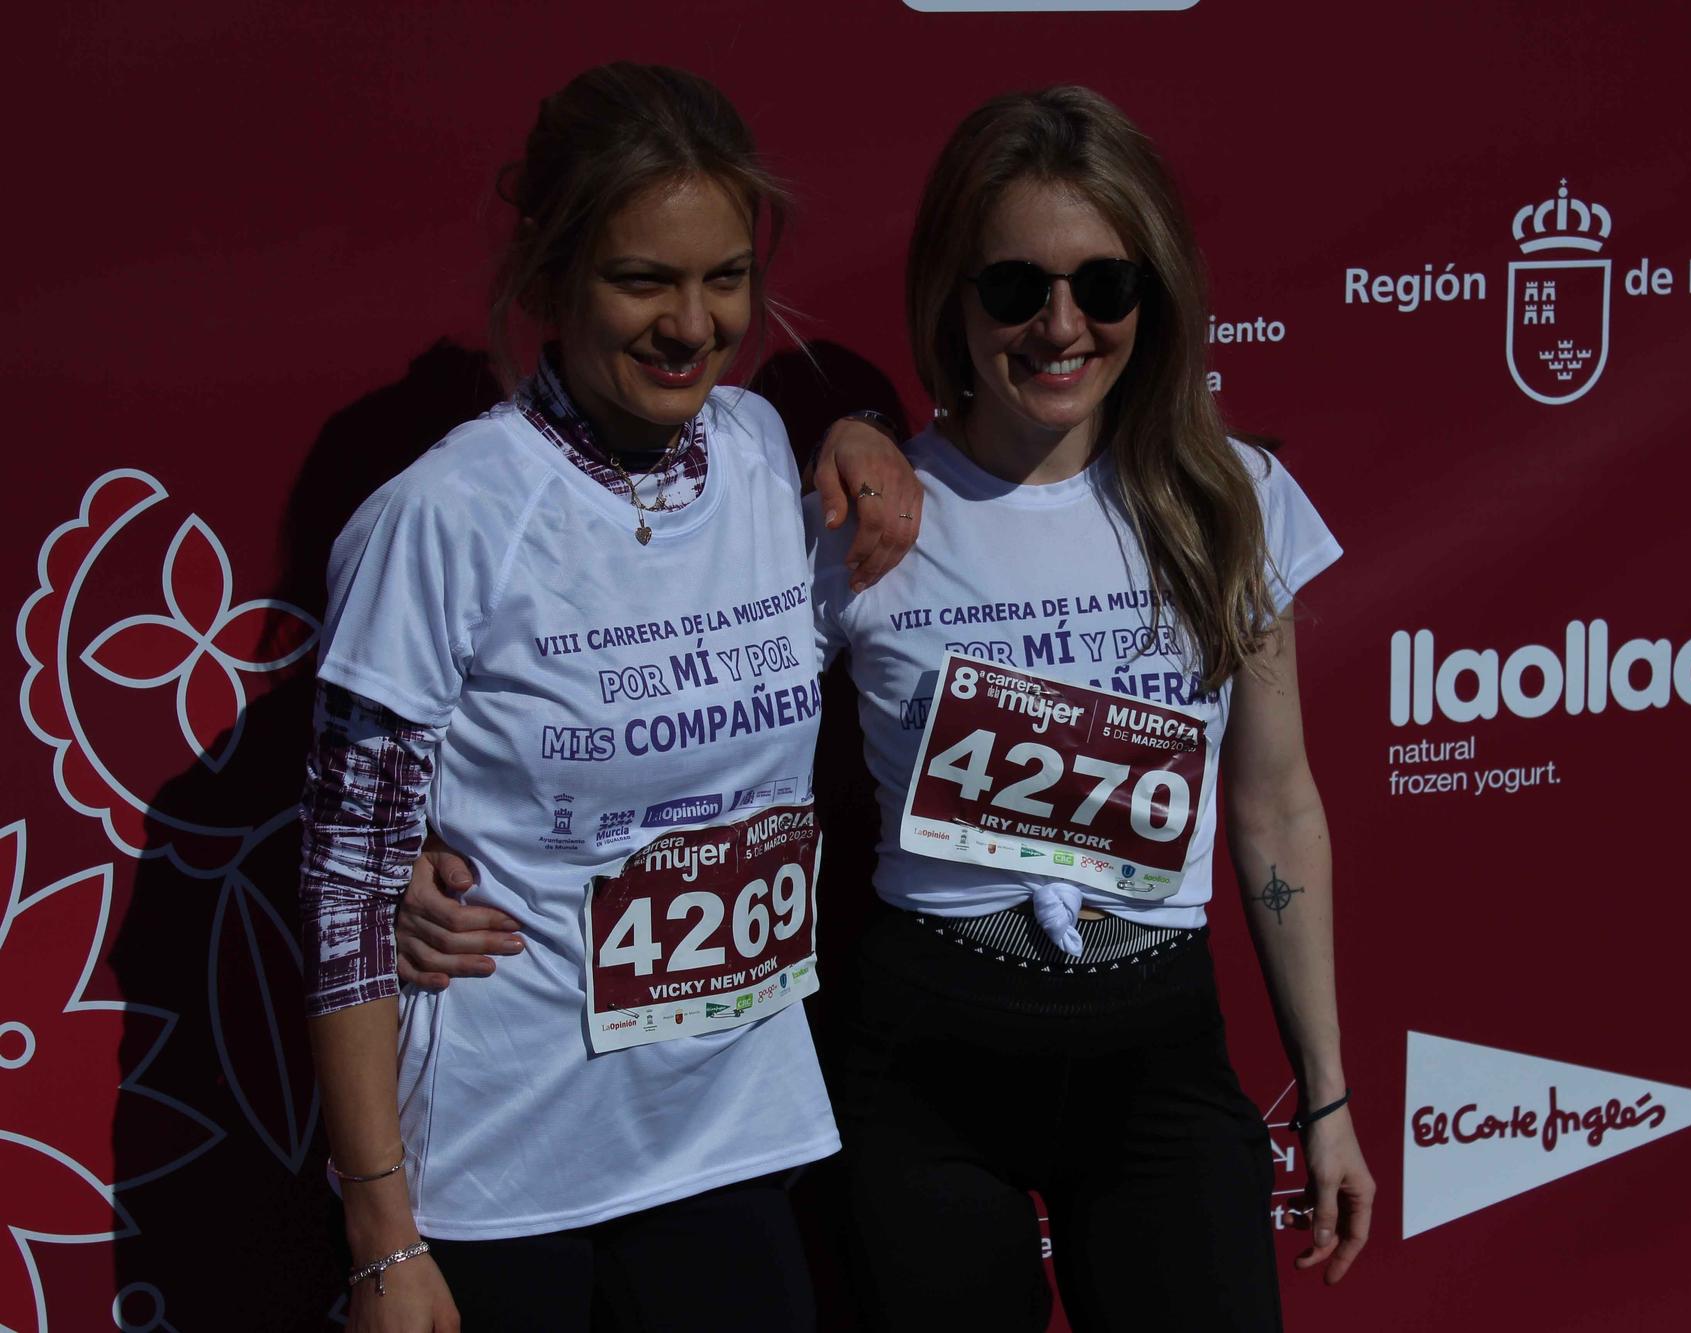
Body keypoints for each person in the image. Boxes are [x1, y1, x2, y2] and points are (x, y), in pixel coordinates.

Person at [402, 84, 1372, 1331]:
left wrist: (1328, 1092)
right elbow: (681, 722)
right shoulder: (863, 514)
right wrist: (438, 853)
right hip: (925, 1065)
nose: (1060, 326)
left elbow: (1277, 805)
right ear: (951, 296)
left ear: (1156, 292)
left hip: (1157, 1052)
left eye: (1104, 287)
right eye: (1015, 290)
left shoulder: (1230, 499)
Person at [300, 63, 920, 1333]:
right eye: (643, 280)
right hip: (502, 1176)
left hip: (729, 1148)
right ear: (545, 280)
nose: (692, 325)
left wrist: (867, 422)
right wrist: (380, 1236)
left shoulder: (764, 452)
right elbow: (345, 897)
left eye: (725, 279)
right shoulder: (442, 521)